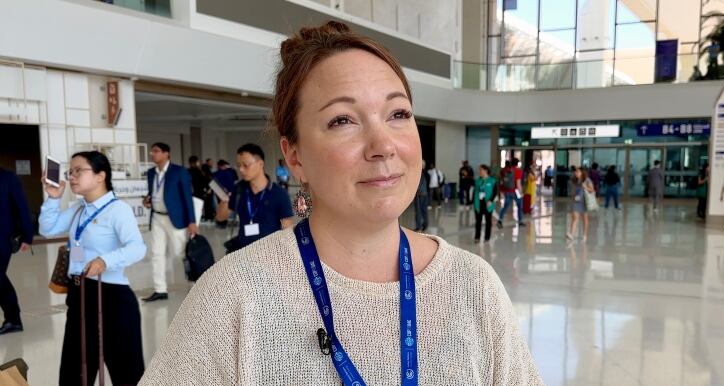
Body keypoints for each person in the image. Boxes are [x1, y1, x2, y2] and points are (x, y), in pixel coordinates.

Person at [140, 21, 542, 385]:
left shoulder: (473, 285)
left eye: (398, 113)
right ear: (295, 156)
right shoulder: (232, 296)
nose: (383, 145)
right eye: (342, 120)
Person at [39, 151, 147, 385]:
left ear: (100, 176)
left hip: (111, 298)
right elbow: (48, 229)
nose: (73, 176)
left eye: (79, 170)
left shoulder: (117, 210)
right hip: (79, 294)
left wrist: (105, 261)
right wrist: (53, 198)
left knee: (125, 371)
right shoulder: (79, 209)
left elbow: (138, 248)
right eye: (71, 171)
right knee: (75, 369)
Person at [142, 143, 198, 302]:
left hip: (176, 218)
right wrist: (148, 200)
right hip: (157, 217)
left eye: (156, 151)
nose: (152, 154)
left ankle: (194, 285)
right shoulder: (151, 173)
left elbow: (187, 197)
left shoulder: (179, 172)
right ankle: (160, 289)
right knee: (156, 253)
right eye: (152, 151)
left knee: (181, 253)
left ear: (166, 154)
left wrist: (192, 221)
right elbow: (153, 192)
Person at [215, 143, 295, 249]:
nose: (241, 170)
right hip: (243, 252)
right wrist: (225, 200)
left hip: (270, 253)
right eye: (239, 166)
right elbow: (221, 218)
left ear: (260, 164)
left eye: (246, 165)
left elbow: (287, 227)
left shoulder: (279, 193)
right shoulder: (239, 189)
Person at [0, 167, 33, 335]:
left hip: (2, 238)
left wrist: (27, 236)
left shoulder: (8, 178)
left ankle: (13, 319)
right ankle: (13, 319)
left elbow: (22, 206)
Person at [567, 167, 594, 242]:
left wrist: (585, 187)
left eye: (578, 172)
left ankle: (585, 235)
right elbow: (571, 190)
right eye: (576, 172)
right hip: (576, 201)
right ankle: (571, 234)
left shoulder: (587, 180)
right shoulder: (574, 180)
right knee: (574, 217)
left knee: (584, 218)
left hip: (584, 201)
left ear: (582, 173)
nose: (576, 173)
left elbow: (592, 190)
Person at [474, 165, 499, 243]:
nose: (479, 172)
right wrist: (474, 203)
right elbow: (475, 192)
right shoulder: (478, 181)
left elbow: (495, 192)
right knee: (478, 221)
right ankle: (477, 237)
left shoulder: (492, 180)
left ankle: (487, 237)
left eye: (481, 170)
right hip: (479, 203)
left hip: (488, 204)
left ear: (486, 170)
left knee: (488, 221)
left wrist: (490, 201)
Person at [497, 159, 524, 229]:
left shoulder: (504, 170)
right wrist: (521, 192)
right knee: (519, 206)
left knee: (505, 207)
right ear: (517, 164)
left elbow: (501, 181)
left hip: (507, 191)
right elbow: (518, 183)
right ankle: (520, 221)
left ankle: (500, 220)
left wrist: (501, 191)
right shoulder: (518, 171)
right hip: (515, 192)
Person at [213, 160, 239, 228]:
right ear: (224, 165)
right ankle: (230, 220)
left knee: (220, 206)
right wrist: (230, 191)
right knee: (229, 206)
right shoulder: (229, 172)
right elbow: (232, 183)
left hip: (219, 192)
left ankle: (221, 222)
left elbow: (213, 184)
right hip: (228, 192)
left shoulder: (215, 174)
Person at [188, 155, 212, 221]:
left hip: (192, 193)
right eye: (198, 161)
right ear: (195, 162)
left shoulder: (187, 171)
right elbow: (204, 181)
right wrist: (207, 189)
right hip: (198, 193)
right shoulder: (198, 172)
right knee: (198, 208)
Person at [413, 163, 429, 232]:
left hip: (419, 194)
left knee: (418, 211)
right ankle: (425, 225)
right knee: (424, 210)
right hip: (425, 193)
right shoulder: (426, 173)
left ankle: (419, 226)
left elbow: (417, 184)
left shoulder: (419, 173)